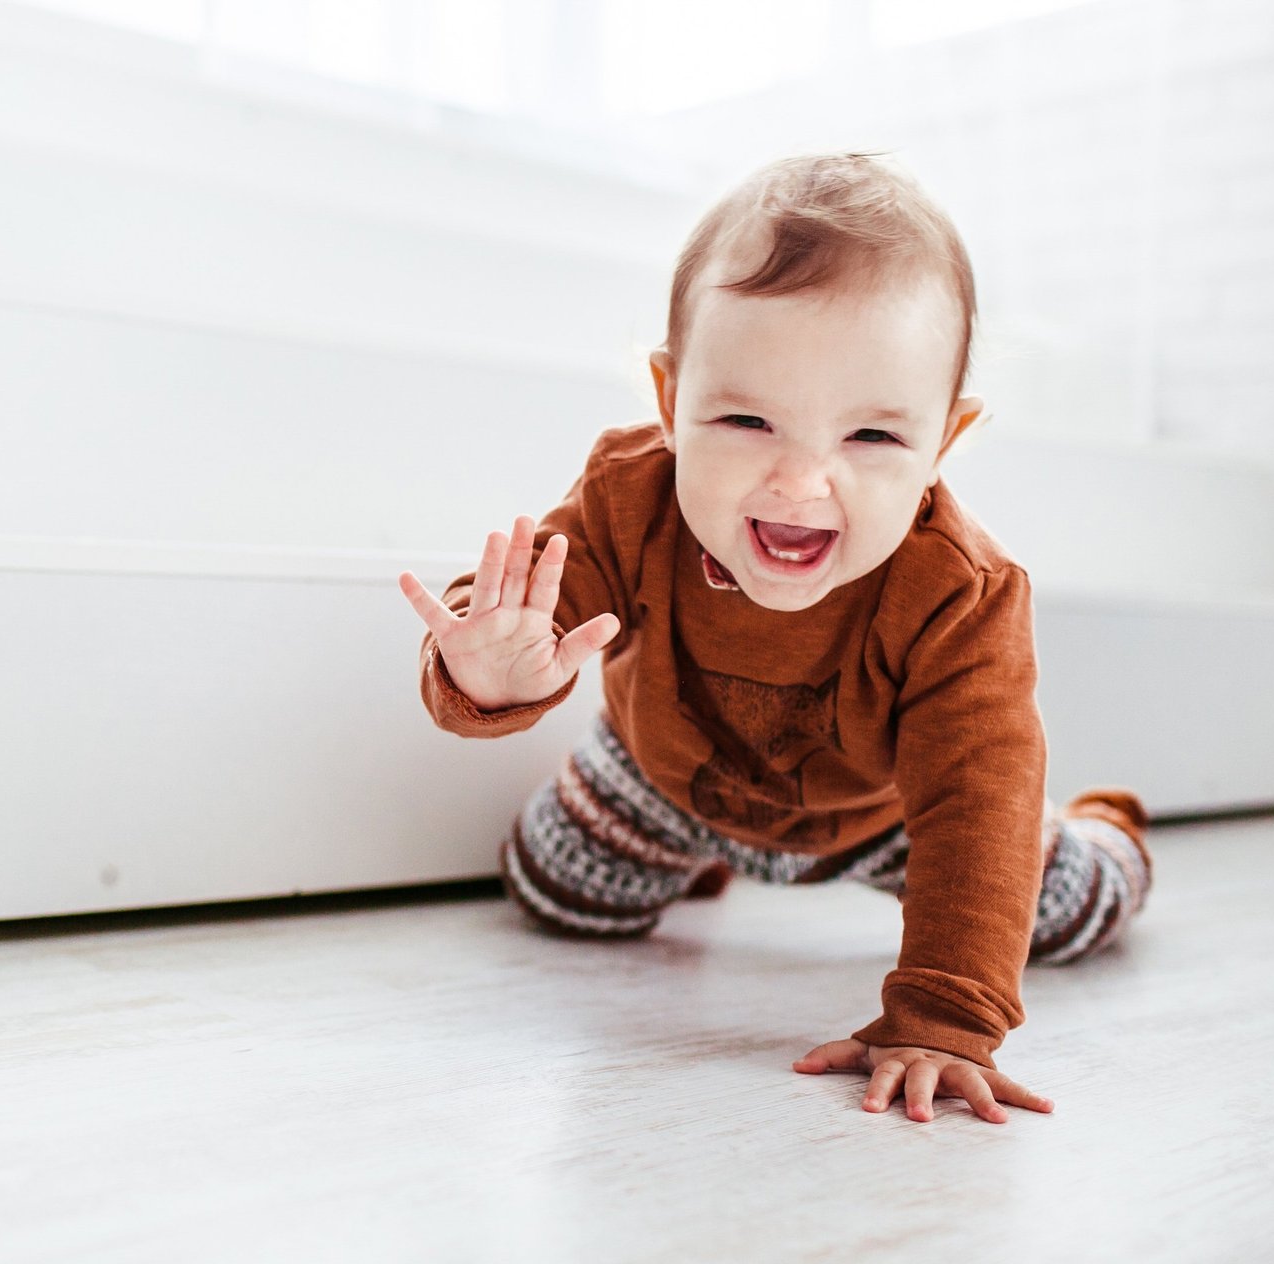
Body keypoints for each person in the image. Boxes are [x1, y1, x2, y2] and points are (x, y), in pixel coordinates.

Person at [396, 151, 1153, 1127]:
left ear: (943, 442)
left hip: (883, 814)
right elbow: (534, 602)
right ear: (671, 405)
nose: (800, 482)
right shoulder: (629, 497)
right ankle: (699, 857)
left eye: (872, 438)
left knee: (1056, 913)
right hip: (658, 777)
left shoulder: (959, 593)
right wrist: (489, 667)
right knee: (556, 893)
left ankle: (1107, 833)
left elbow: (975, 798)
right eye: (747, 419)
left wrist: (943, 1014)